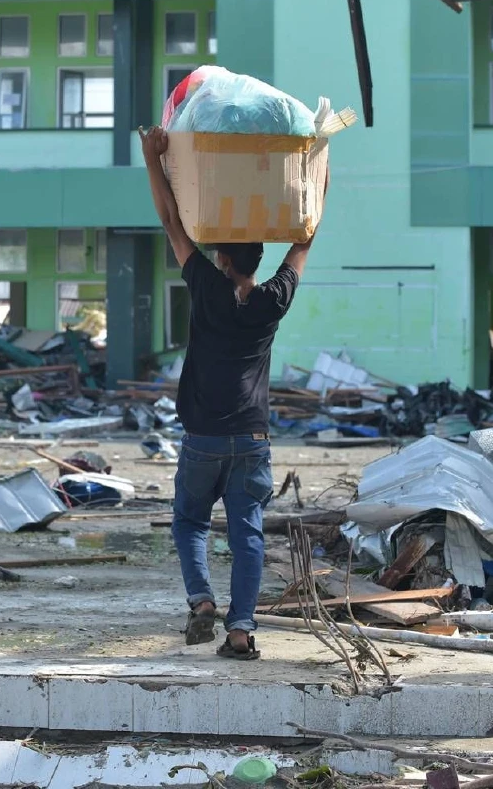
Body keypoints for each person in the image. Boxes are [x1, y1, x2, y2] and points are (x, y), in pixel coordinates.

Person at [138, 125, 327, 660]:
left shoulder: (203, 285)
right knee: (248, 536)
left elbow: (172, 220)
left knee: (190, 521)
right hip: (252, 439)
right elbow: (305, 237)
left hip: (202, 437)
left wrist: (152, 157)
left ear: (222, 259)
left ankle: (201, 601)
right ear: (257, 262)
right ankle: (241, 633)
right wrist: (318, 168)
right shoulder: (275, 300)